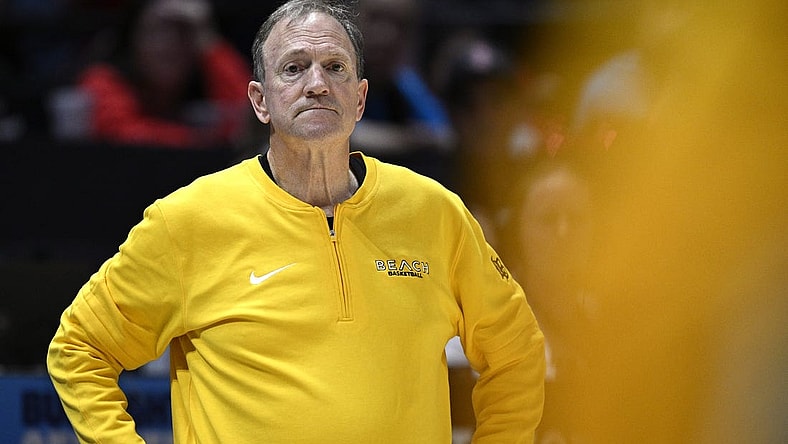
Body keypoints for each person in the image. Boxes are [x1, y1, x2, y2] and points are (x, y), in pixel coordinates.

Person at [46, 1, 546, 443]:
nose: (317, 84)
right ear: (260, 101)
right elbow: (79, 348)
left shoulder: (434, 211)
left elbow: (516, 351)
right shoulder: (188, 222)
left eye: (335, 67)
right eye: (293, 68)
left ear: (361, 97)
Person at [75, 0, 252, 148]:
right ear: (133, 38)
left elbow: (248, 119)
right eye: (156, 31)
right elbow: (121, 133)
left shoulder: (205, 75)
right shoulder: (103, 79)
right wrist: (200, 137)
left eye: (182, 32)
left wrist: (210, 43)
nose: (168, 44)